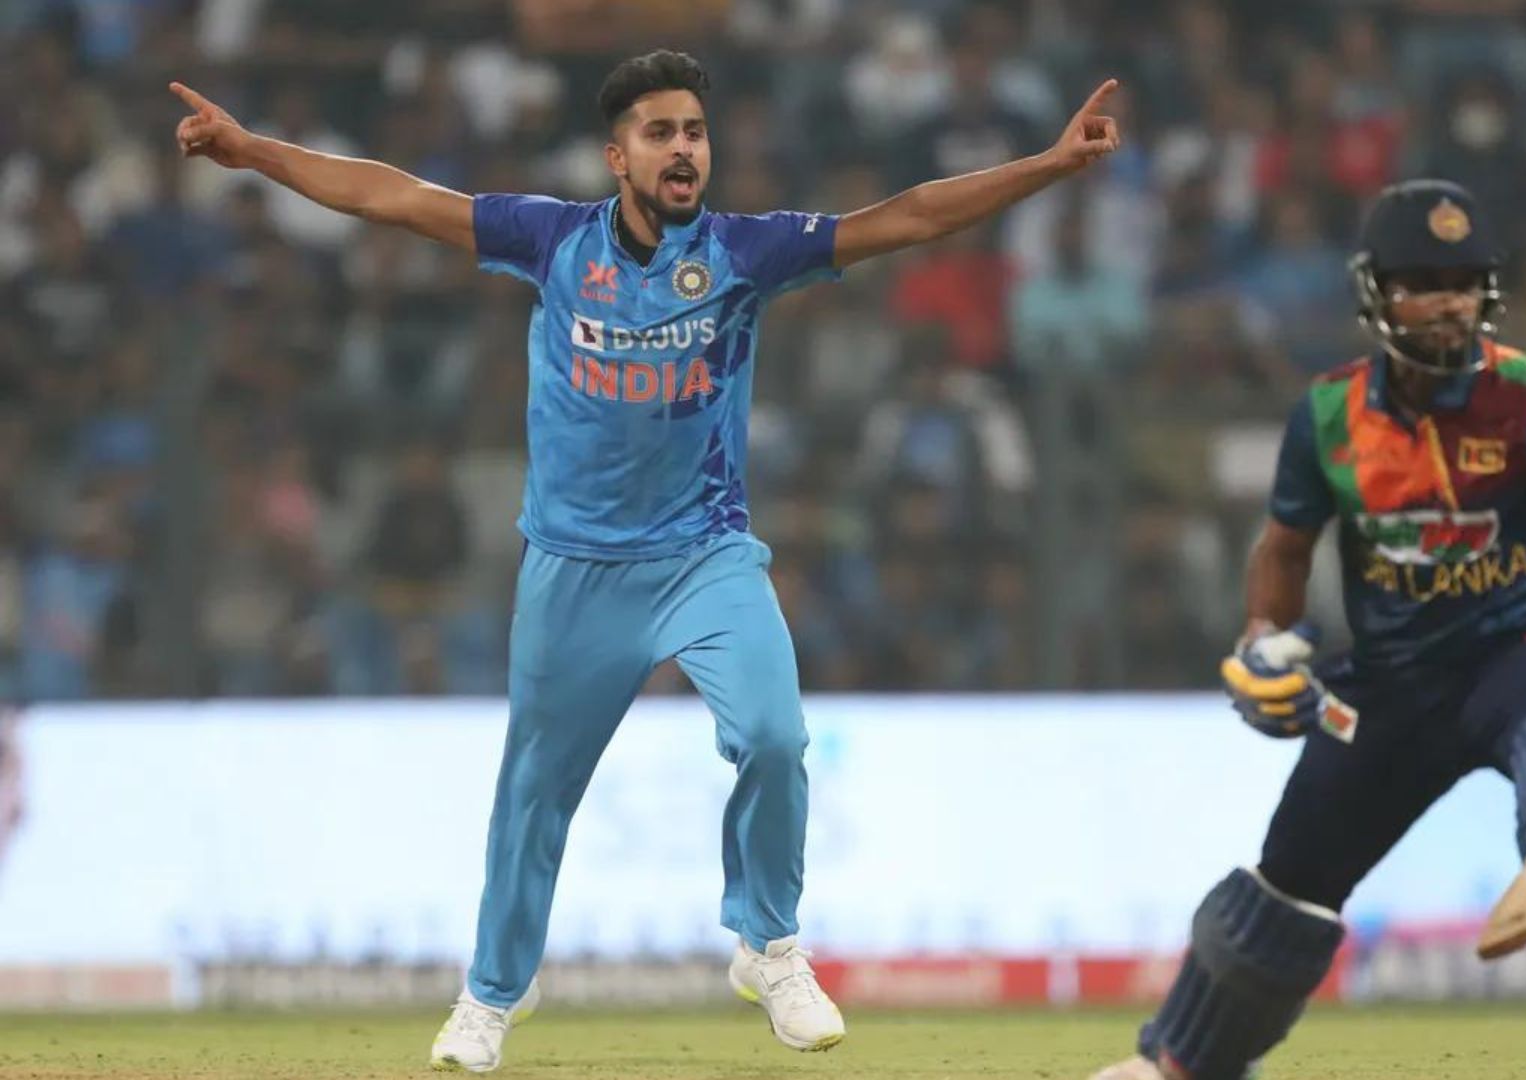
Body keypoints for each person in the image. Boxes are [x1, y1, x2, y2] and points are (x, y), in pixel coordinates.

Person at [168, 50, 1121, 1073]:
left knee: (771, 738)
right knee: (534, 792)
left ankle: (769, 946)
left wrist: (1049, 166)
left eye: (696, 133)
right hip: (573, 570)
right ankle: (491, 997)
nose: (684, 151)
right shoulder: (551, 240)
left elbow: (911, 215)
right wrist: (253, 151)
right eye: (661, 134)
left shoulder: (747, 252)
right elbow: (393, 198)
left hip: (703, 555)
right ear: (616, 154)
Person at [1089, 180, 1526, 1080]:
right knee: (1288, 877)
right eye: (1423, 281)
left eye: (1465, 280)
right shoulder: (1329, 414)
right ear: (1375, 291)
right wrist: (1263, 641)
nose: (1449, 302)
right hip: (1393, 681)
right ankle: (1179, 1064)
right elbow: (1283, 550)